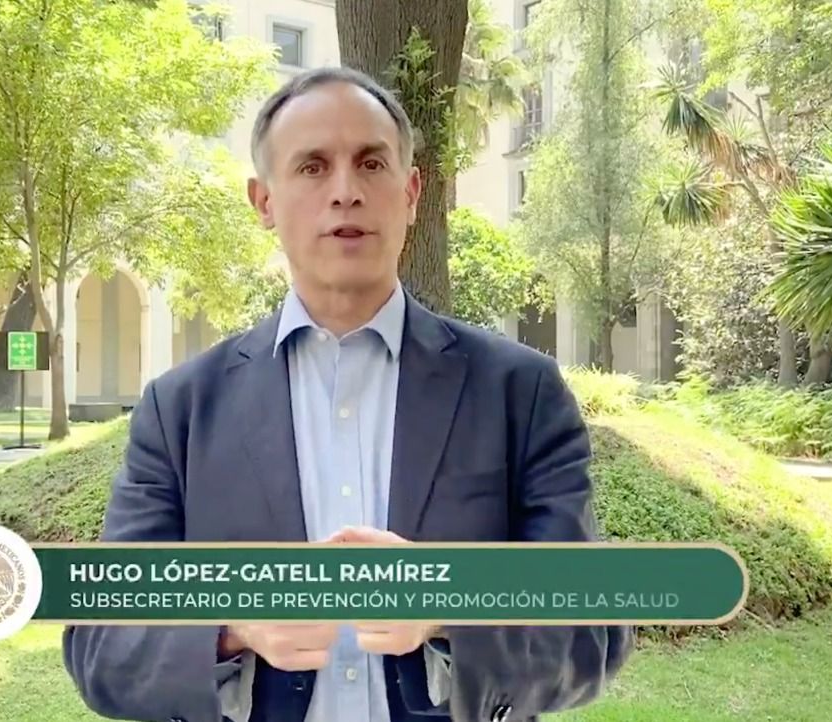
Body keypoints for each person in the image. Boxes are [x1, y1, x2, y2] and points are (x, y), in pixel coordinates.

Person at [62, 66, 632, 722]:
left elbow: (591, 631)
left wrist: (450, 605)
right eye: (312, 167)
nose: (345, 192)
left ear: (411, 193)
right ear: (264, 202)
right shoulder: (180, 411)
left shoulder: (519, 393)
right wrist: (231, 625)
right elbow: (103, 643)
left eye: (370, 163)